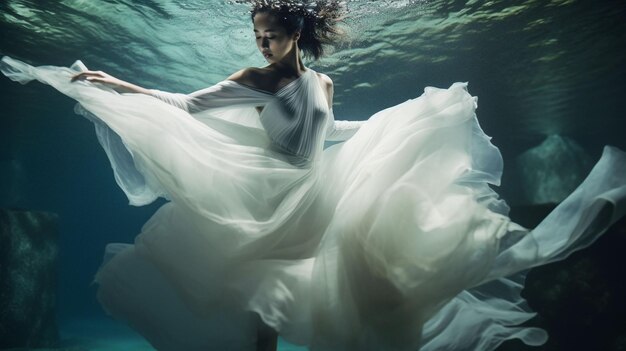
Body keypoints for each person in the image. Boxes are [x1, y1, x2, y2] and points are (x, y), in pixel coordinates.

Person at [1, 1, 625, 350]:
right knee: (258, 303)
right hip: (264, 197)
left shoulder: (320, 81)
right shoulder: (250, 82)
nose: (262, 44)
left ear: (296, 32)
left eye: (269, 35)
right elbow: (185, 104)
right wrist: (117, 85)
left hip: (314, 191)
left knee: (363, 283)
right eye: (256, 36)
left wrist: (391, 124)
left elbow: (327, 132)